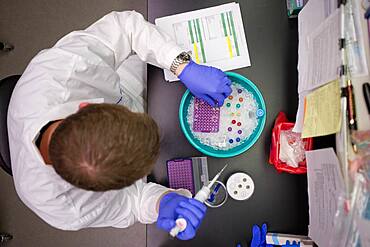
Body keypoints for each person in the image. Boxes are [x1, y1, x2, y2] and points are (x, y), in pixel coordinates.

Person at [7, 11, 231, 240]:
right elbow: (132, 203)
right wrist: (161, 203)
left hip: (128, 85)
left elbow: (126, 28)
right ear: (102, 189)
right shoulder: (64, 207)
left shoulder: (61, 72)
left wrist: (182, 66)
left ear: (84, 106)